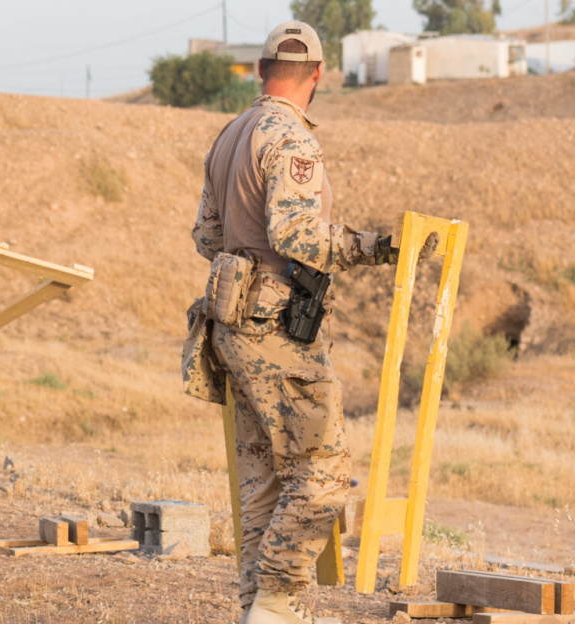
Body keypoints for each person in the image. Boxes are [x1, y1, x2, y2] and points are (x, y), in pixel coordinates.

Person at [186, 22, 436, 624]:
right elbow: (296, 234)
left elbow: (208, 236)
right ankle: (274, 606)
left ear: (260, 68)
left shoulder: (231, 134)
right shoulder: (290, 136)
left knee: (265, 489)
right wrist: (379, 247)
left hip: (233, 326)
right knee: (323, 476)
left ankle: (262, 609)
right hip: (276, 331)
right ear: (317, 75)